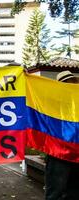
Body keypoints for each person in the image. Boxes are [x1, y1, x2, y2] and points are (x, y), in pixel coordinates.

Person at [45, 70, 79, 200]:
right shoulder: (50, 103)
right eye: (66, 84)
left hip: (76, 153)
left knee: (74, 193)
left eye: (72, 83)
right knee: (55, 193)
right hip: (58, 154)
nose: (69, 86)